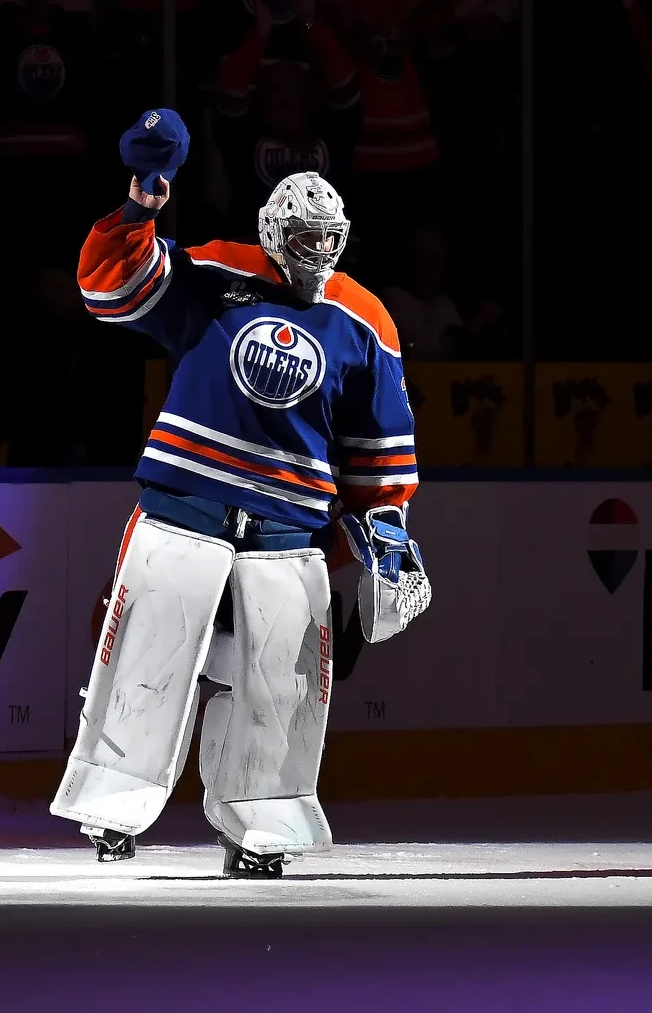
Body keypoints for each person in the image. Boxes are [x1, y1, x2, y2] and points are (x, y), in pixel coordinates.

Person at [53, 110, 433, 878]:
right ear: (271, 231)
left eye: (328, 238)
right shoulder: (216, 271)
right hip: (183, 511)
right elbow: (109, 288)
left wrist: (387, 536)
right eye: (303, 237)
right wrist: (138, 209)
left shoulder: (366, 320)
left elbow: (379, 446)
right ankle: (111, 805)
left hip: (287, 531)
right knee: (146, 661)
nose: (316, 251)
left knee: (280, 688)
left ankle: (263, 824)